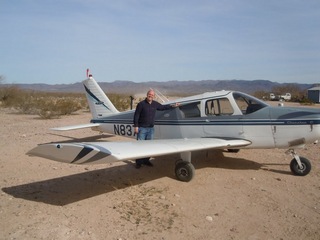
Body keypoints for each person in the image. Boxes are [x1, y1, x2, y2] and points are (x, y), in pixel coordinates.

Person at [133, 89, 179, 168]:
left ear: (154, 96)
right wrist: (136, 126)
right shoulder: (141, 104)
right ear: (147, 95)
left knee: (149, 146)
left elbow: (163, 107)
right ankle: (138, 162)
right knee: (140, 146)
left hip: (151, 129)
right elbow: (136, 115)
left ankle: (146, 160)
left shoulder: (155, 104)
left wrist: (173, 106)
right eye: (149, 94)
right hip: (142, 128)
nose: (150, 96)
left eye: (152, 95)